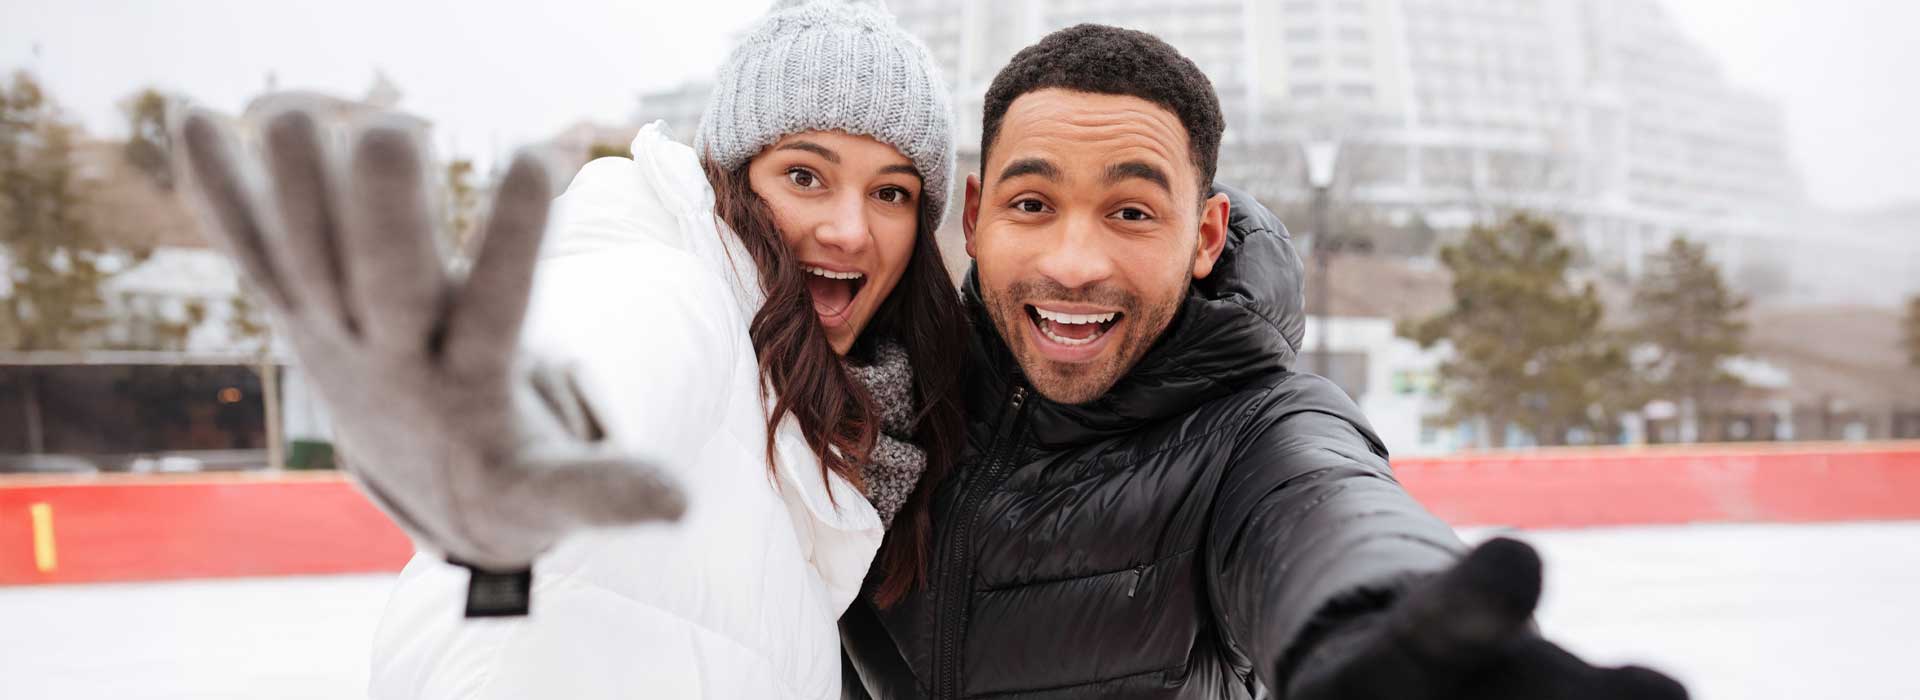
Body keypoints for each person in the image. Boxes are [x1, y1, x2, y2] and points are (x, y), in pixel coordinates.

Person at [837, 24, 1688, 700]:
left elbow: (1331, 518)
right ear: (978, 214)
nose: (1073, 262)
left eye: (1131, 212)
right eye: (1033, 203)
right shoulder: (885, 391)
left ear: (1204, 237)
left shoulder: (1256, 431)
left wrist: (1370, 631)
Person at [176, 1, 966, 697]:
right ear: (730, 178)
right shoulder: (674, 287)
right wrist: (498, 442)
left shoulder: (844, 413)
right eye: (805, 175)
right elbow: (607, 349)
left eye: (891, 191)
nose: (850, 228)